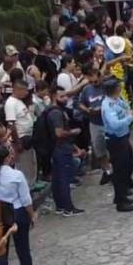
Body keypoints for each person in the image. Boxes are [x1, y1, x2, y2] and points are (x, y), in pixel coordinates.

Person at [41, 85, 83, 217]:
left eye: (66, 96)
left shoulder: (52, 110)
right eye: (62, 96)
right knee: (64, 179)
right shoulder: (56, 113)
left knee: (58, 178)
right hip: (60, 149)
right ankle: (68, 208)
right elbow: (59, 133)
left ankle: (60, 206)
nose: (65, 99)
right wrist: (73, 132)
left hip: (56, 148)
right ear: (54, 96)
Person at [100, 77, 133, 213]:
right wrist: (130, 118)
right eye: (118, 86)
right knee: (119, 170)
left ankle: (123, 193)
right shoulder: (108, 106)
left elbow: (125, 108)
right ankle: (120, 201)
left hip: (123, 137)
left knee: (127, 164)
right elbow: (115, 124)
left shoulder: (117, 100)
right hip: (115, 139)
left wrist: (130, 113)